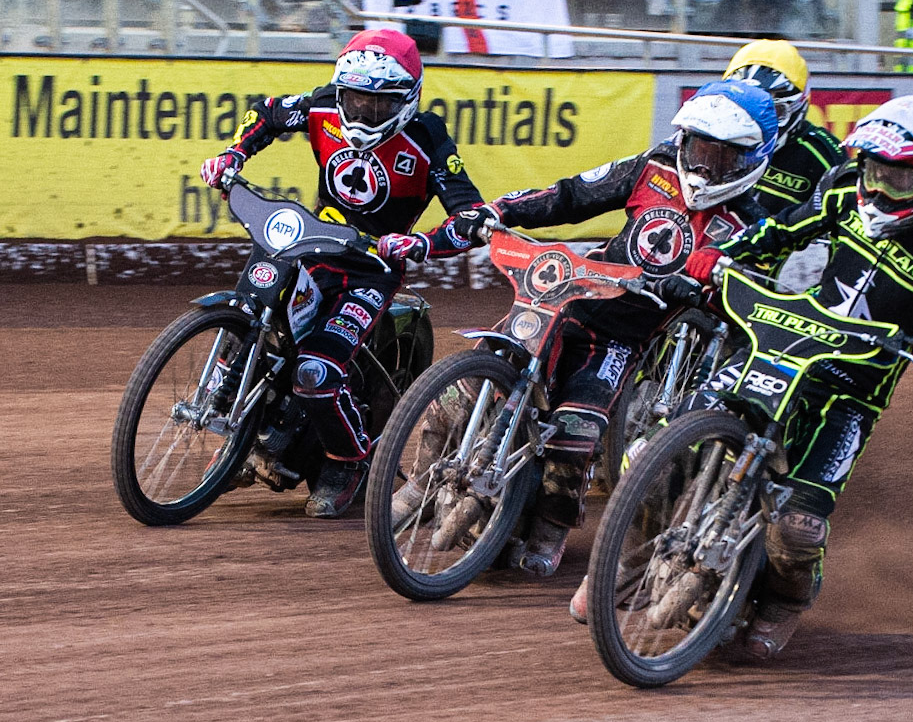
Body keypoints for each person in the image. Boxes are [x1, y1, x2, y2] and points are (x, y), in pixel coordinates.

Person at [377, 80, 779, 580]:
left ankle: (551, 528)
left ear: (752, 159)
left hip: (619, 338)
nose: (705, 166)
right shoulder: (654, 167)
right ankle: (420, 483)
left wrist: (703, 290)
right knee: (461, 387)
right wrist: (499, 212)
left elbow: (746, 301)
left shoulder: (752, 228)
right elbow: (570, 195)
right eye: (699, 148)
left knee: (575, 433)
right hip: (565, 295)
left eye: (723, 157)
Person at [682, 94, 913, 659]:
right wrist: (722, 254)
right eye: (873, 172)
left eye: (900, 181)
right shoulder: (843, 193)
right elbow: (778, 231)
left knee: (797, 526)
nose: (879, 191)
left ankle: (784, 602)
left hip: (850, 395)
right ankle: (630, 556)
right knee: (669, 439)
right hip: (784, 348)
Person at [199, 29, 484, 518]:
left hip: (371, 271)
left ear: (408, 99)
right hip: (310, 246)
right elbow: (268, 112)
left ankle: (347, 461)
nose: (363, 111)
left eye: (378, 104)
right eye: (354, 99)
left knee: (316, 369)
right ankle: (243, 432)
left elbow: (470, 215)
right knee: (253, 319)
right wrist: (233, 154)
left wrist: (421, 243)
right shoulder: (322, 104)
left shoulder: (428, 137)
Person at [722, 39, 845, 282]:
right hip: (709, 257)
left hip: (771, 281)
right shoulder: (711, 139)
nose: (756, 120)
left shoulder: (823, 154)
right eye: (745, 106)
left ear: (798, 106)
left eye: (772, 110)